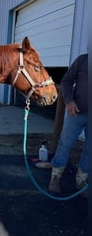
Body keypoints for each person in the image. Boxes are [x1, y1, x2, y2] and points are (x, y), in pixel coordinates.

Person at [48, 53, 88, 195]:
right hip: (76, 112)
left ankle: (81, 180)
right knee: (65, 144)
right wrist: (69, 101)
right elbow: (66, 80)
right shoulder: (83, 60)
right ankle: (56, 176)